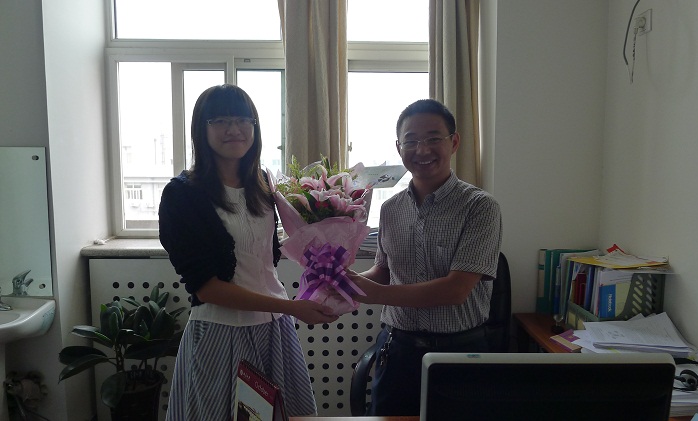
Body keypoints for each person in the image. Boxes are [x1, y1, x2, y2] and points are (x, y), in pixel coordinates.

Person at [159, 84, 338, 420]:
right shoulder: (182, 195)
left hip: (274, 331)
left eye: (243, 119)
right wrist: (291, 307)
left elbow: (268, 257)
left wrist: (331, 272)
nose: (234, 129)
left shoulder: (265, 186)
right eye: (220, 120)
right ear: (201, 129)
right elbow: (207, 289)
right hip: (220, 334)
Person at [347, 98, 502, 416]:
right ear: (399, 147)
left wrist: (376, 294)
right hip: (397, 351)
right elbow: (384, 270)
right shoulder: (390, 209)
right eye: (411, 141)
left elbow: (456, 290)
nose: (422, 150)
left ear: (454, 142)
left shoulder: (480, 207)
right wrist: (344, 282)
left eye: (433, 138)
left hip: (458, 355)